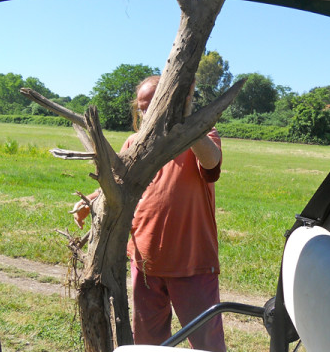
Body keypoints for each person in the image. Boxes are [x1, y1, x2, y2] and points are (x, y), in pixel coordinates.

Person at [73, 75, 226, 351]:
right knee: (148, 344)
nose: (147, 115)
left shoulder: (200, 136)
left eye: (154, 105)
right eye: (142, 109)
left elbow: (212, 163)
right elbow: (118, 185)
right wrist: (91, 200)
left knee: (207, 345)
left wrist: (188, 125)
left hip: (192, 265)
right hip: (145, 266)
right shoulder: (134, 144)